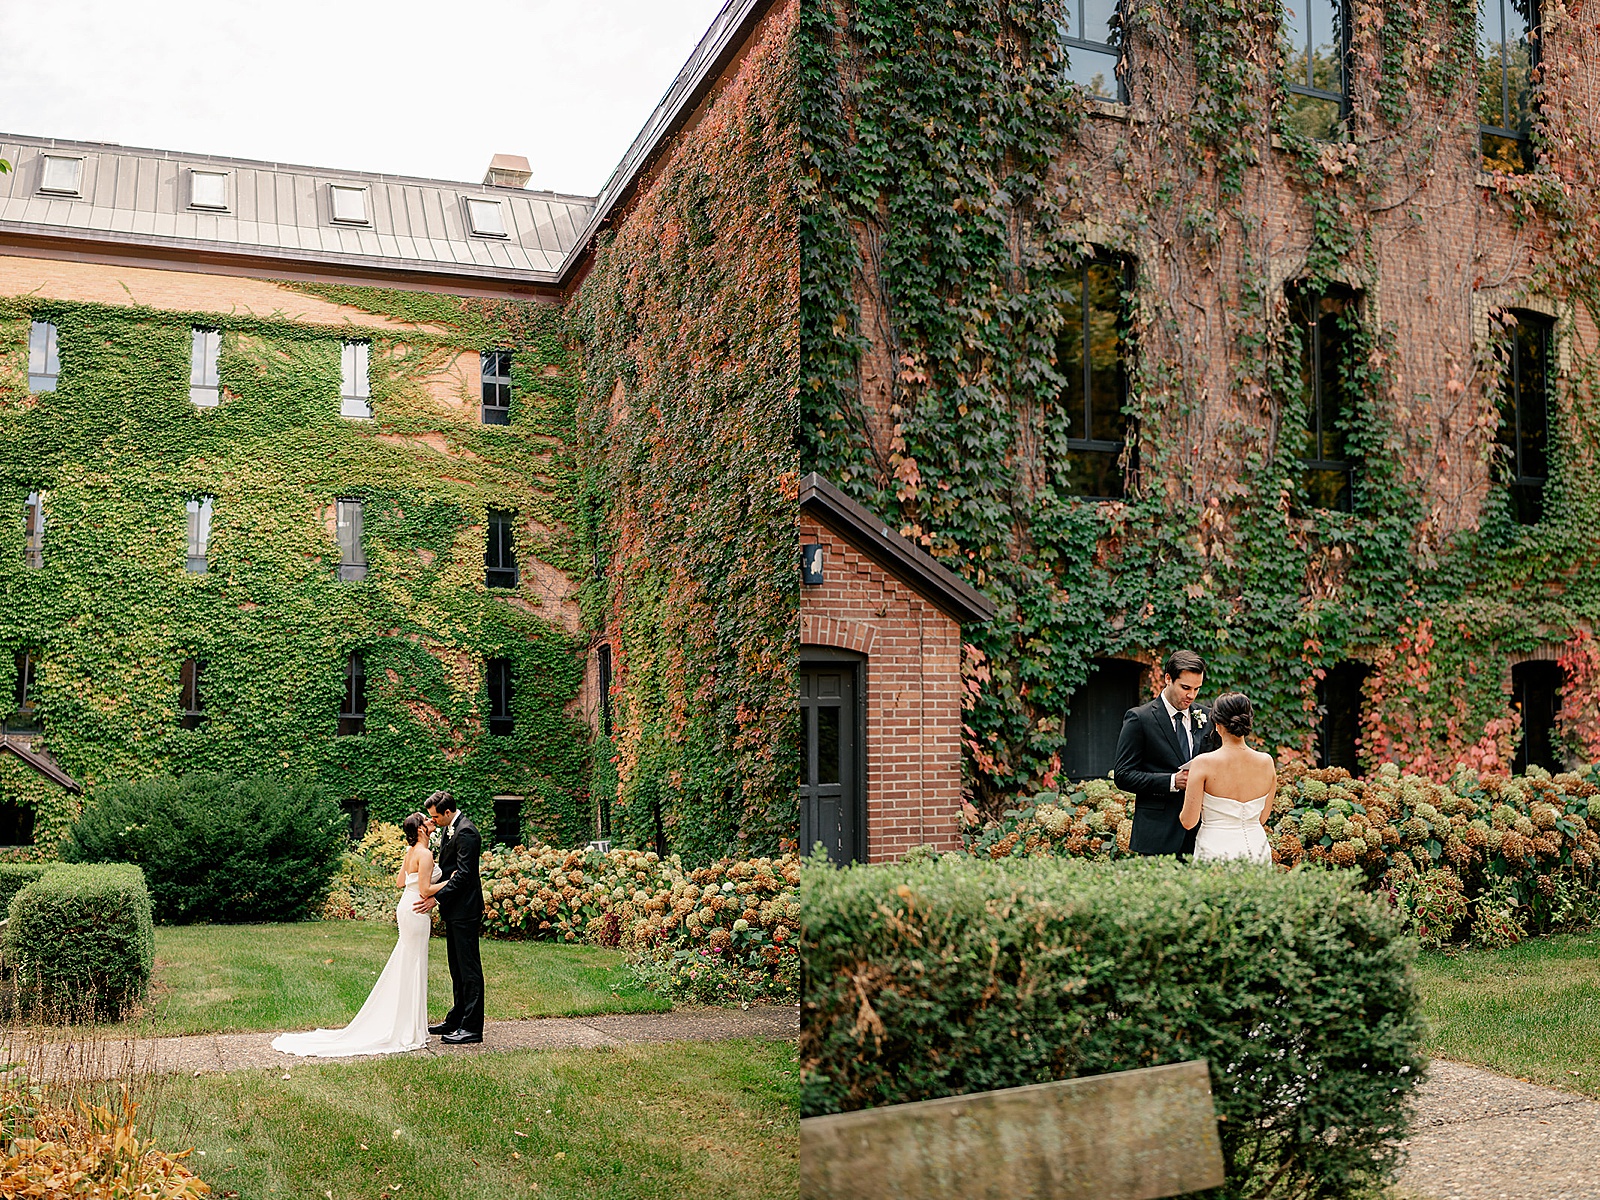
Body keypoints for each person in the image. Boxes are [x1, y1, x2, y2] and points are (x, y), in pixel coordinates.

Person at [272, 810, 444, 1058]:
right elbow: (426, 888)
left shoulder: (410, 853)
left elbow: (399, 882)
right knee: (413, 964)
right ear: (420, 829)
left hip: (406, 906)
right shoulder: (425, 854)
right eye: (426, 820)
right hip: (416, 911)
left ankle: (410, 1023)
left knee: (408, 963)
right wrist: (451, 881)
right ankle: (409, 1027)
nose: (431, 821)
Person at [1113, 650, 1221, 857]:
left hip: (1201, 835)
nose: (1191, 695)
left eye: (1197, 689)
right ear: (1168, 679)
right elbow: (1123, 775)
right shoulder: (1139, 718)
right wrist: (1172, 781)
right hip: (1157, 836)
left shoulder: (1207, 717)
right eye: (1185, 688)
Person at [414, 790, 485, 1044]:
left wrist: (437, 897)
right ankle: (457, 1018)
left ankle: (472, 1028)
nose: (433, 821)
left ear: (447, 812)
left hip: (465, 909)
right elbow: (449, 869)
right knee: (456, 968)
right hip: (455, 910)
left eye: (435, 816)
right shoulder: (448, 828)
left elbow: (464, 875)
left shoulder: (466, 832)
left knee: (469, 969)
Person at [1180, 692, 1275, 864]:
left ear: (1217, 725)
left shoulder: (1203, 763)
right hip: (1258, 850)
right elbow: (1262, 818)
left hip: (1215, 849)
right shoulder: (1267, 762)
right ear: (1248, 721)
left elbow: (1188, 821)